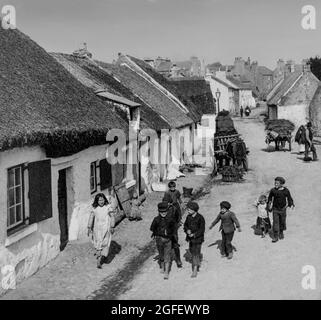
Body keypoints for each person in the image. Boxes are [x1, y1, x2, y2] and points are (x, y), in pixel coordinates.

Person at [87, 193, 115, 269]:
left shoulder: (108, 207)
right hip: (97, 228)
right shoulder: (94, 208)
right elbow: (91, 217)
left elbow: (112, 216)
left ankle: (103, 255)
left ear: (104, 200)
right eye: (99, 200)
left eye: (102, 200)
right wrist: (89, 227)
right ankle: (99, 260)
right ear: (97, 201)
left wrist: (112, 226)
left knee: (105, 243)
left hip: (106, 228)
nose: (101, 202)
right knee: (99, 243)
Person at [150, 202, 176, 280]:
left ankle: (166, 272)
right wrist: (157, 233)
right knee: (161, 254)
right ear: (159, 211)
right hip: (159, 240)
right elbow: (152, 228)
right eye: (161, 212)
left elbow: (174, 228)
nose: (163, 213)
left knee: (167, 256)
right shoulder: (156, 219)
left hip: (168, 240)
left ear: (167, 211)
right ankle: (162, 265)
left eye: (165, 211)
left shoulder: (171, 219)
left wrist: (170, 234)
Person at [267, 177, 294, 242]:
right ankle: (276, 236)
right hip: (275, 209)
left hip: (283, 209)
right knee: (275, 222)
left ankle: (281, 232)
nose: (275, 184)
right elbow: (270, 198)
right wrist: (269, 205)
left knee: (282, 221)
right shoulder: (273, 190)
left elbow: (289, 198)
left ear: (281, 184)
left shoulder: (286, 190)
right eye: (275, 183)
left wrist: (291, 204)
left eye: (277, 183)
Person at [183, 201, 205, 278]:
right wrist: (187, 230)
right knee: (191, 251)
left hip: (198, 239)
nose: (188, 211)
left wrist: (194, 234)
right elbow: (185, 225)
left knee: (195, 253)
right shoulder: (188, 217)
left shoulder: (200, 218)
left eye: (189, 210)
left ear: (194, 210)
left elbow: (202, 230)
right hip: (190, 239)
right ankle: (197, 260)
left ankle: (195, 269)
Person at [163, 194, 183, 268]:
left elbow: (178, 219)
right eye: (164, 202)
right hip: (165, 230)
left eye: (167, 202)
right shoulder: (162, 210)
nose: (166, 204)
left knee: (175, 245)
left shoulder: (174, 209)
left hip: (173, 230)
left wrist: (175, 226)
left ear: (170, 203)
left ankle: (178, 260)